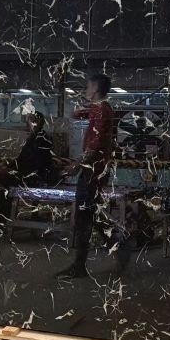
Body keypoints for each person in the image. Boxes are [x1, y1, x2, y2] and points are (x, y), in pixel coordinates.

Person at [57, 73, 117, 278]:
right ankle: (118, 243)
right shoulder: (101, 108)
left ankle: (81, 264)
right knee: (89, 213)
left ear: (96, 89)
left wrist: (77, 164)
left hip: (93, 170)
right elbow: (78, 114)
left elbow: (94, 144)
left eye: (88, 86)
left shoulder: (102, 110)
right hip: (94, 169)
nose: (85, 90)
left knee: (84, 216)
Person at [0, 111, 55, 240]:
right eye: (29, 121)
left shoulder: (40, 139)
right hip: (30, 175)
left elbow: (34, 163)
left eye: (31, 121)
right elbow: (24, 161)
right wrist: (8, 165)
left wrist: (11, 168)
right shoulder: (35, 138)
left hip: (34, 178)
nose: (29, 124)